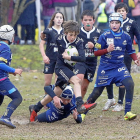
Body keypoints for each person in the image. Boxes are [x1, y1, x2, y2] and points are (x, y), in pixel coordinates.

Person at [30, 20, 96, 120]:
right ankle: (79, 104)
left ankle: (35, 108)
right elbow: (49, 32)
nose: (73, 37)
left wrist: (69, 57)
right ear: (65, 33)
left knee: (56, 92)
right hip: (60, 68)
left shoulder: (79, 42)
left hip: (69, 69)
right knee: (77, 81)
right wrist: (43, 34)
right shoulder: (59, 38)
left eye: (74, 35)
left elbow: (83, 58)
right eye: (70, 35)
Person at [84, 13, 140, 120]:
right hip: (105, 67)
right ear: (110, 23)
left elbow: (131, 51)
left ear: (120, 23)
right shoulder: (104, 36)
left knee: (130, 84)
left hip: (119, 66)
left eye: (117, 23)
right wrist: (107, 50)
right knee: (97, 92)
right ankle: (83, 112)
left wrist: (136, 59)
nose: (114, 25)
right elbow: (95, 52)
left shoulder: (126, 37)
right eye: (112, 23)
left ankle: (127, 113)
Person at [103, 2, 140, 111]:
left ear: (126, 12)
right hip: (112, 55)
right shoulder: (112, 23)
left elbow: (138, 37)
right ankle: (110, 99)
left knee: (123, 78)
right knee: (107, 76)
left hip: (126, 55)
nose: (121, 13)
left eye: (123, 11)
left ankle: (120, 103)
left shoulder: (132, 23)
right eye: (119, 11)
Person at [75, 10, 114, 107]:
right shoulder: (77, 32)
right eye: (85, 20)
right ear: (82, 21)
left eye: (90, 20)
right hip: (80, 61)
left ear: (93, 20)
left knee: (84, 87)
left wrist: (95, 45)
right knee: (78, 79)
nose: (87, 22)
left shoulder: (99, 33)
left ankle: (78, 104)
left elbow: (104, 47)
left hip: (92, 62)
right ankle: (75, 102)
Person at [29, 85, 96, 123]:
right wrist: (54, 97)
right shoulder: (59, 90)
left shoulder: (72, 103)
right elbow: (46, 87)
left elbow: (79, 121)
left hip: (57, 113)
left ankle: (33, 111)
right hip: (52, 102)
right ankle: (33, 108)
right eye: (64, 99)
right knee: (46, 98)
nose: (66, 102)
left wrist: (76, 118)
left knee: (36, 120)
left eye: (68, 100)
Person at [0, 25, 23, 128]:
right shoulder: (5, 47)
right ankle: (5, 117)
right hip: (2, 80)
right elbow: (0, 64)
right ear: (8, 36)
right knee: (17, 97)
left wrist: (10, 72)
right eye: (13, 35)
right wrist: (14, 70)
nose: (13, 37)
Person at [39, 12, 64, 91]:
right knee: (47, 83)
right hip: (50, 59)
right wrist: (44, 56)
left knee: (57, 82)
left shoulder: (65, 32)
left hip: (60, 60)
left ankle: (55, 100)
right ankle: (46, 102)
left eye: (61, 17)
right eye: (57, 17)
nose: (59, 19)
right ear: (53, 19)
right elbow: (41, 44)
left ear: (63, 20)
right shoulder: (48, 31)